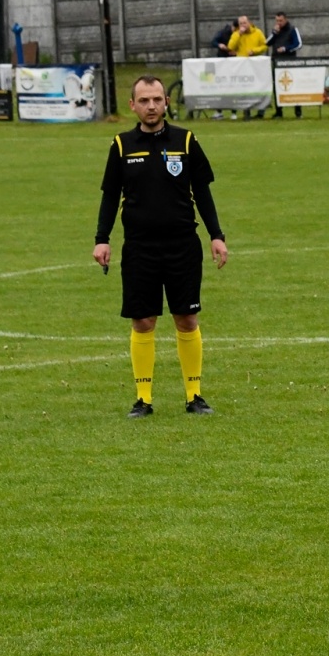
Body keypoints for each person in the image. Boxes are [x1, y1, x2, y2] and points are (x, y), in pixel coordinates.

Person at [93, 75, 228, 419]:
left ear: (166, 102)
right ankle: (143, 399)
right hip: (140, 248)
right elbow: (110, 196)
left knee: (187, 318)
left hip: (183, 245)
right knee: (142, 321)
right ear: (132, 105)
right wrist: (102, 239)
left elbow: (203, 191)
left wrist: (216, 235)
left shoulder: (185, 140)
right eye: (144, 100)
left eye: (156, 99)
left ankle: (194, 395)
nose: (151, 106)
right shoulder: (122, 145)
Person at [225, 16, 269, 120]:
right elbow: (230, 47)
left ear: (249, 23)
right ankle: (246, 112)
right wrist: (239, 34)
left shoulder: (257, 32)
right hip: (242, 65)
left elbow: (265, 45)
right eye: (241, 23)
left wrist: (254, 51)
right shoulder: (236, 34)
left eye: (244, 23)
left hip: (256, 65)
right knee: (244, 88)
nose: (243, 25)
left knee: (259, 87)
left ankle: (260, 112)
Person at [268, 11, 304, 118]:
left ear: (285, 19)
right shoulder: (275, 31)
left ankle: (298, 112)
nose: (279, 23)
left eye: (281, 21)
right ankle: (279, 112)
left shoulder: (292, 29)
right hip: (277, 62)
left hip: (290, 61)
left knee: (294, 86)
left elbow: (298, 44)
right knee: (277, 87)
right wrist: (274, 33)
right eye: (277, 21)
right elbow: (267, 43)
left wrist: (286, 48)